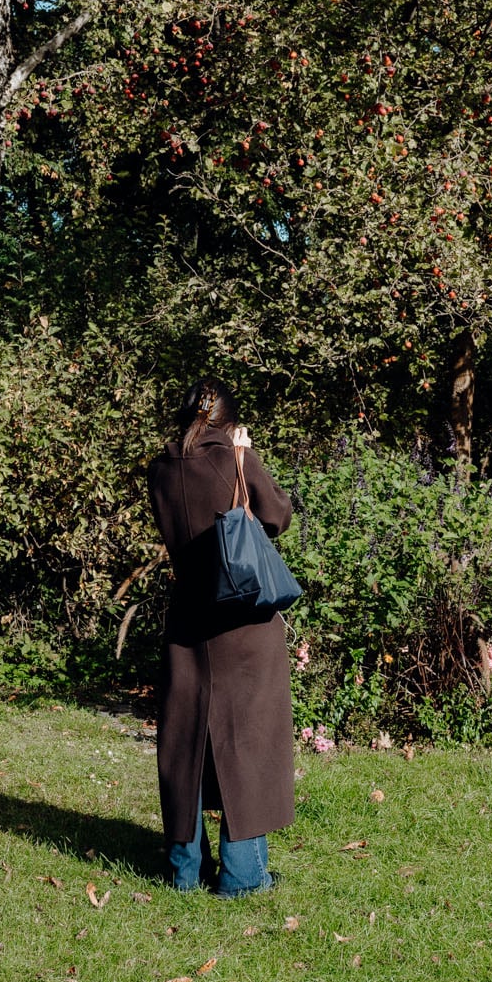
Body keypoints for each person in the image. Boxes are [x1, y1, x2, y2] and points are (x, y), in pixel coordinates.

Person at [146, 379, 296, 895]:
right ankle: (243, 875)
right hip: (241, 620)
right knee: (246, 742)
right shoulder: (236, 458)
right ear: (229, 421)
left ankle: (185, 871)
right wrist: (246, 456)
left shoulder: (160, 468)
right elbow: (277, 516)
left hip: (187, 618)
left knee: (184, 741)